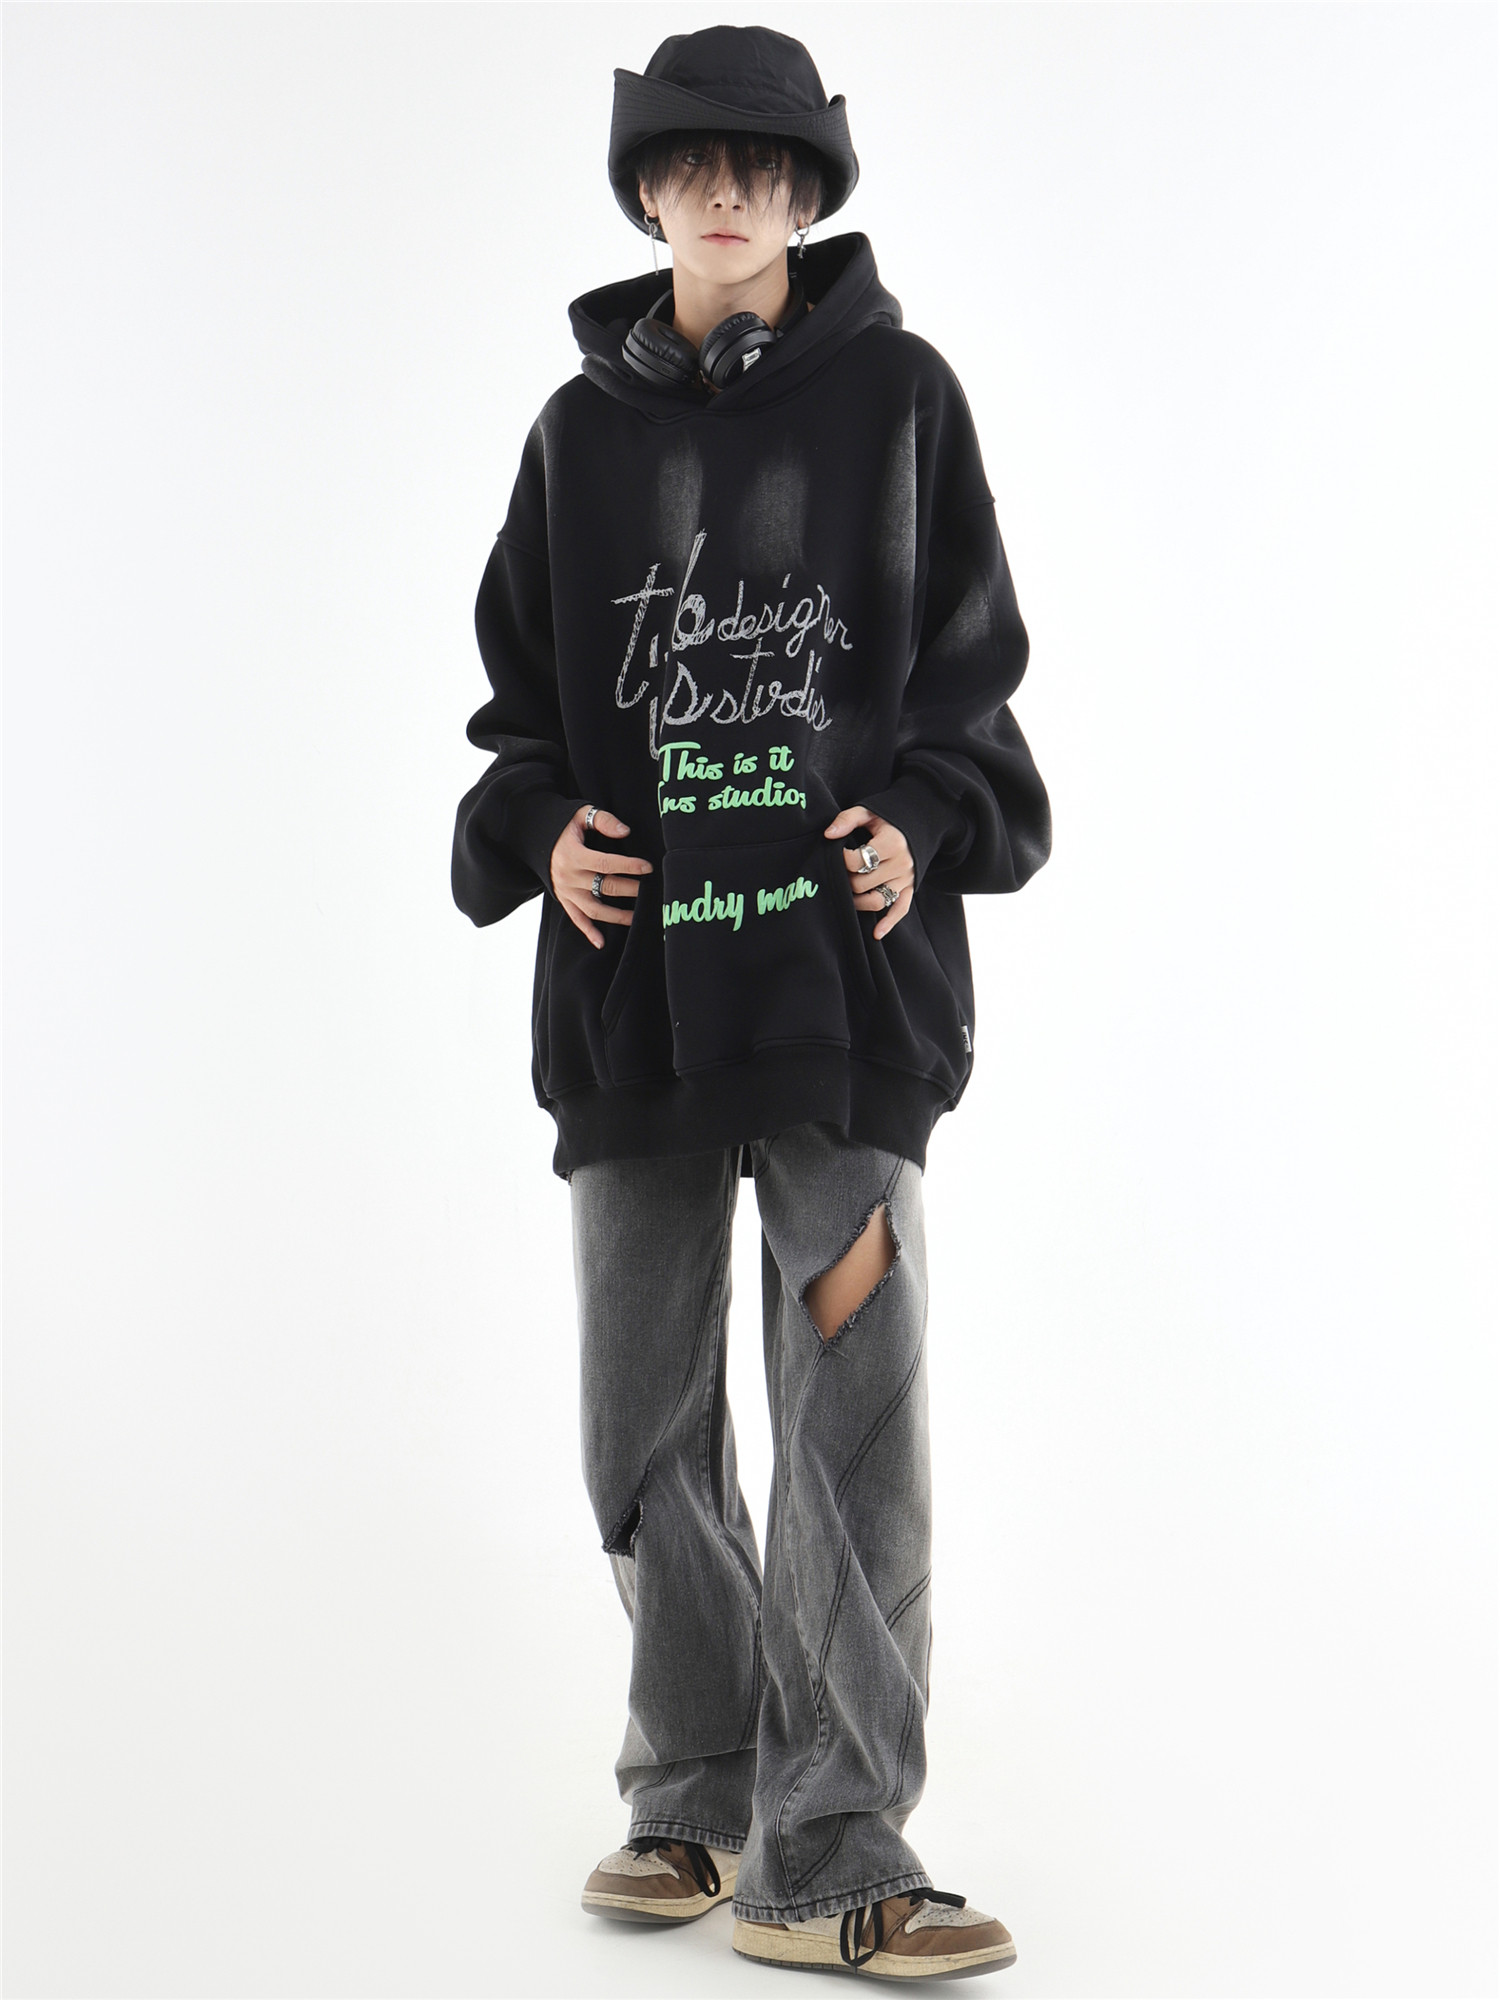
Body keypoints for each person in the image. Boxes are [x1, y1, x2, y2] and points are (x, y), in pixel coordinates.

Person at [451, 24, 1050, 1981]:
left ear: (806, 192)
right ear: (647, 191)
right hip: (634, 999)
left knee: (850, 1411)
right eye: (692, 164)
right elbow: (515, 717)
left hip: (839, 996)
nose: (727, 194)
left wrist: (925, 824)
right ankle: (697, 1798)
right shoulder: (576, 438)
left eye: (764, 166)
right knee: (641, 1421)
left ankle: (840, 1848)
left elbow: (971, 677)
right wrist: (544, 835)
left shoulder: (902, 402)